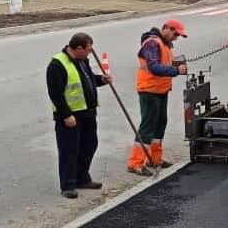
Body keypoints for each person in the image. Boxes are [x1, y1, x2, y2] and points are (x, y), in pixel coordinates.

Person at [47, 32, 112, 199]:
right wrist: (66, 115)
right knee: (69, 150)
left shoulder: (83, 60)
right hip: (70, 116)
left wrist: (101, 80)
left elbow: (87, 80)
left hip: (88, 113)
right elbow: (56, 94)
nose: (91, 52)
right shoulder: (57, 64)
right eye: (88, 49)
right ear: (78, 48)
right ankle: (68, 185)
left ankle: (82, 178)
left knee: (89, 145)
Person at [128, 19, 188, 175]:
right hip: (149, 90)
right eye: (175, 34)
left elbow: (163, 63)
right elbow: (154, 67)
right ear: (167, 29)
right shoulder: (152, 43)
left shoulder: (164, 44)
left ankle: (155, 158)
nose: (176, 37)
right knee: (148, 126)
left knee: (160, 123)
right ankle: (135, 163)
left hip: (161, 90)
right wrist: (176, 70)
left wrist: (174, 66)